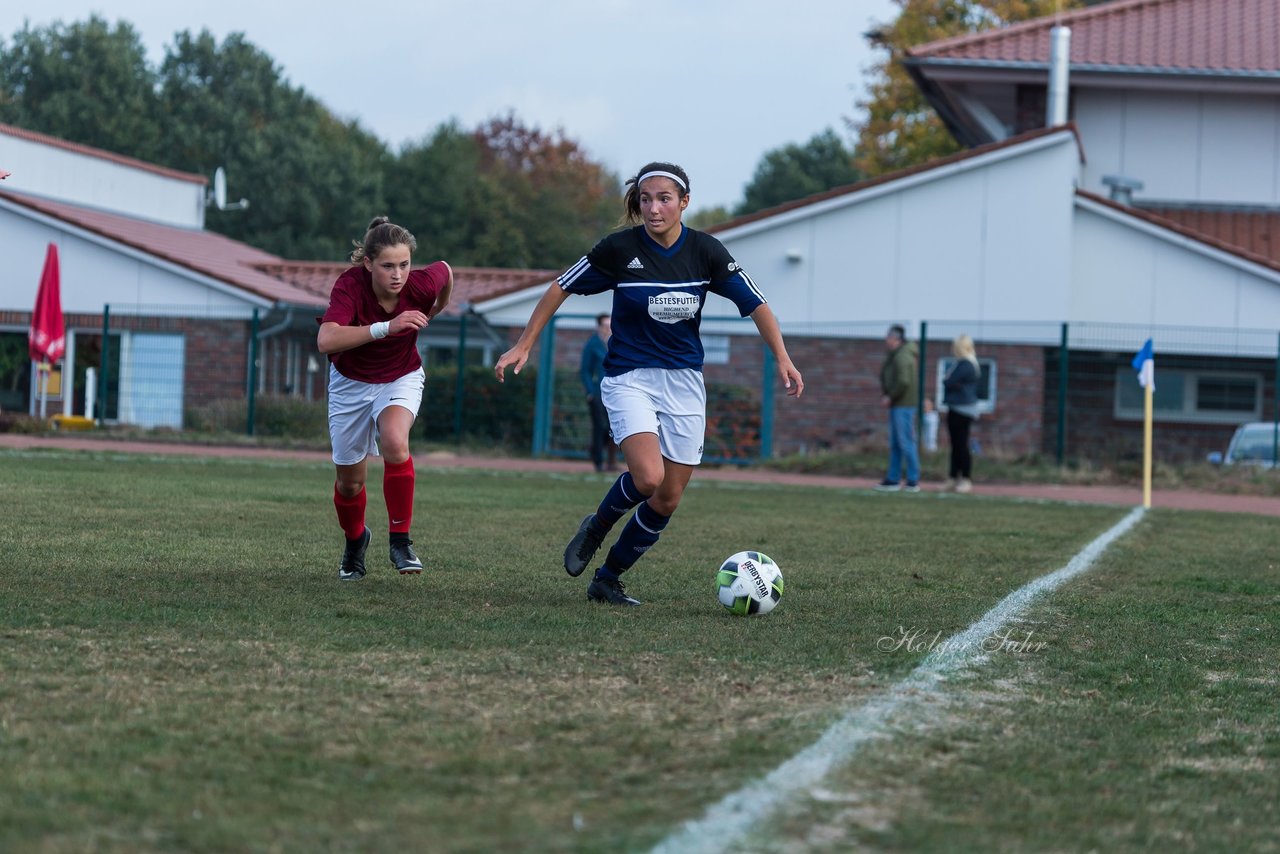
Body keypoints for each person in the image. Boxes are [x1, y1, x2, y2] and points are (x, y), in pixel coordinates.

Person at [494, 161, 804, 606]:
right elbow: (560, 287)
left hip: (684, 383)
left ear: (684, 202)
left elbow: (756, 303)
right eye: (645, 199)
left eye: (664, 199)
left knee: (667, 498)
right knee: (647, 478)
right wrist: (525, 344)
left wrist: (783, 357)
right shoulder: (619, 249)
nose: (654, 208)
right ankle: (596, 527)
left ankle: (607, 579)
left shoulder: (707, 251)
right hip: (628, 377)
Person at [317, 216, 453, 580]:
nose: (398, 274)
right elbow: (326, 340)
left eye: (405, 264)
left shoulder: (421, 283)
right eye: (388, 266)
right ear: (367, 263)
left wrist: (436, 308)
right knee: (351, 483)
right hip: (350, 384)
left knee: (395, 440)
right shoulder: (349, 286)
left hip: (400, 376)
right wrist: (385, 328)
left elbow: (446, 271)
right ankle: (355, 541)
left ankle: (400, 541)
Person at [874, 324, 921, 492]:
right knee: (895, 443)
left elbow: (903, 381)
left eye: (889, 337)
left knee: (906, 442)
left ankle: (913, 480)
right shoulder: (896, 355)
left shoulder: (903, 356)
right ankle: (893, 479)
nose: (886, 340)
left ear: (896, 339)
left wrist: (890, 396)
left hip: (904, 405)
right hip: (898, 405)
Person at [942, 334, 981, 494]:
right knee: (956, 445)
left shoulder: (965, 364)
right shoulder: (967, 363)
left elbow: (948, 381)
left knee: (961, 445)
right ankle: (953, 477)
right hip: (958, 407)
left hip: (961, 409)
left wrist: (951, 381)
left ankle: (965, 478)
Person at [580, 313, 617, 472]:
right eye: (604, 326)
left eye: (610, 325)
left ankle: (610, 461)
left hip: (616, 392)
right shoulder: (592, 344)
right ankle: (598, 462)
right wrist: (590, 391)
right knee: (599, 427)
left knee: (614, 428)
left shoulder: (617, 342)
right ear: (598, 327)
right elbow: (585, 370)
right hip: (597, 393)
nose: (608, 329)